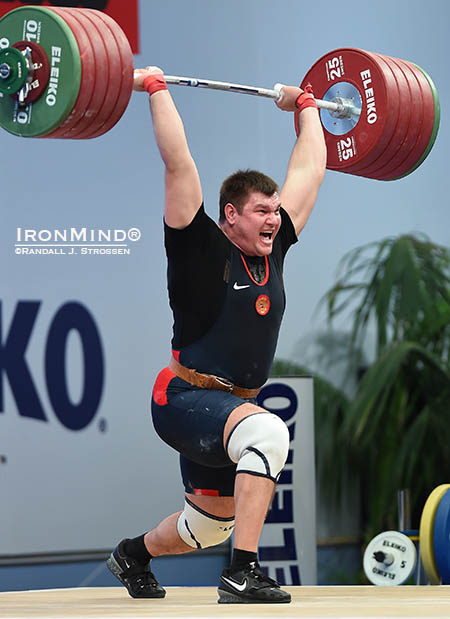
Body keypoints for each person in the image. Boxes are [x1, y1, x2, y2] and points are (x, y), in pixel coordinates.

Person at [106, 65, 326, 604]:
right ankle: (242, 573)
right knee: (270, 435)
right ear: (230, 216)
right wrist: (156, 89)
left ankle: (133, 554)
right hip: (183, 398)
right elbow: (178, 163)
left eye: (275, 210)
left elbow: (310, 172)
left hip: (231, 411)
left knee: (206, 527)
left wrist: (309, 109)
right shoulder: (198, 248)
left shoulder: (274, 251)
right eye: (261, 211)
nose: (274, 219)